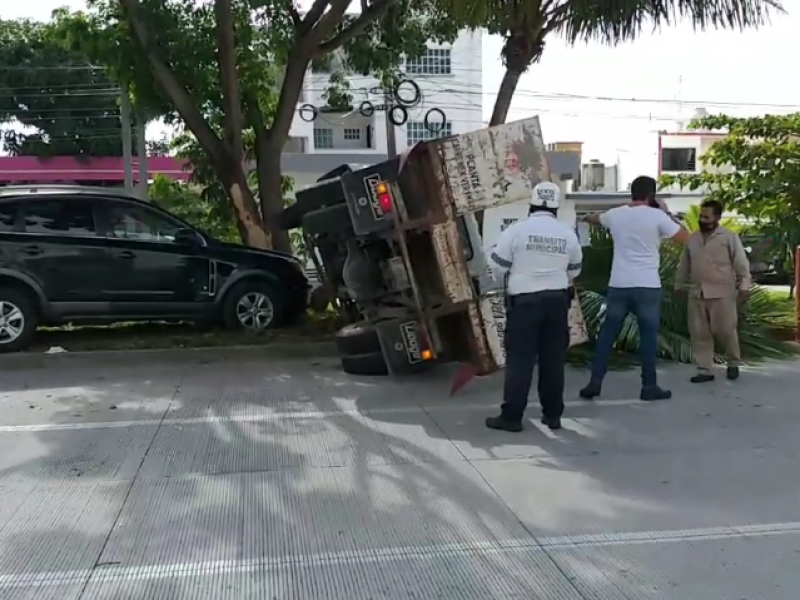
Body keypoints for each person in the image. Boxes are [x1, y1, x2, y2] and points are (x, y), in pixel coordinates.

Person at [579, 176, 689, 401]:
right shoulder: (657, 216)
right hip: (647, 285)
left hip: (619, 284)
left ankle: (594, 382)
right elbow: (685, 237)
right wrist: (666, 213)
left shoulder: (615, 214)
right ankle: (649, 387)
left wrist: (588, 217)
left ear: (632, 192)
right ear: (652, 195)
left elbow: (592, 218)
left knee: (607, 334)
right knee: (648, 337)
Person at [485, 181, 582, 432]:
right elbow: (574, 270)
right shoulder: (567, 234)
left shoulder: (517, 231)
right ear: (556, 208)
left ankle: (512, 417)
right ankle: (552, 415)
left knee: (520, 360)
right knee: (553, 360)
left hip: (525, 303)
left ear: (532, 204)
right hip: (557, 302)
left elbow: (498, 266)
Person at [675, 200, 751, 382]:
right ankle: (704, 369)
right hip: (697, 292)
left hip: (722, 293)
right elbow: (685, 264)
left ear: (717, 217)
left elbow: (741, 263)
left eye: (707, 217)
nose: (702, 219)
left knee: (726, 330)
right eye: (701, 216)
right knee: (699, 332)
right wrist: (678, 285)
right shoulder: (693, 238)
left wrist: (745, 286)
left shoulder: (729, 237)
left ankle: (733, 363)